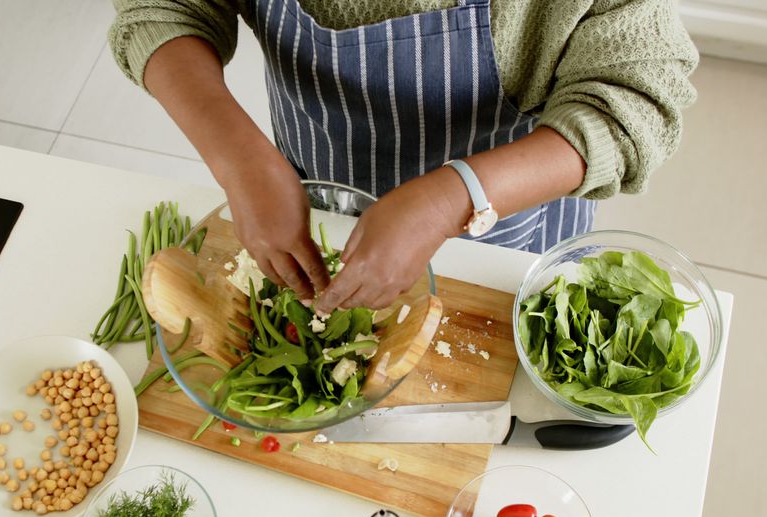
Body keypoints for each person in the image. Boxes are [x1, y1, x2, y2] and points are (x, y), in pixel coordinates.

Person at [109, 0, 697, 314]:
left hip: (507, 231)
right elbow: (161, 8)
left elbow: (635, 98)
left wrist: (453, 195)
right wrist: (241, 162)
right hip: (313, 205)